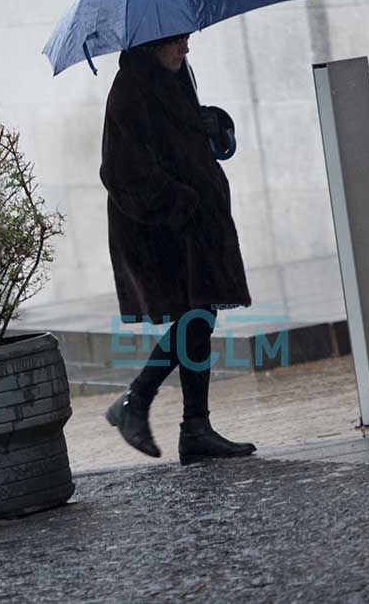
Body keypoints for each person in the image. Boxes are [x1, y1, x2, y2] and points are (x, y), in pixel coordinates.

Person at [99, 32, 257, 464]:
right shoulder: (129, 90)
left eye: (186, 41)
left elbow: (190, 143)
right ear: (151, 44)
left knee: (199, 317)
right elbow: (119, 170)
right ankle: (150, 407)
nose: (184, 50)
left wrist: (216, 125)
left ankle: (190, 426)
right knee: (196, 317)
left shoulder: (175, 77)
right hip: (161, 232)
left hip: (193, 227)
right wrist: (180, 203)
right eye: (175, 43)